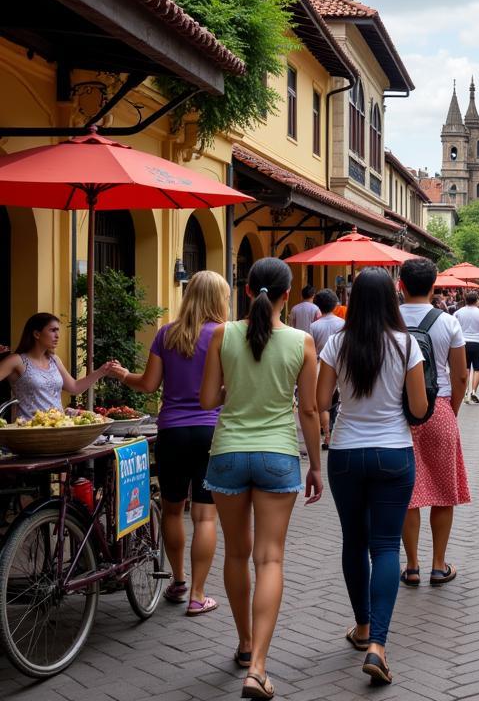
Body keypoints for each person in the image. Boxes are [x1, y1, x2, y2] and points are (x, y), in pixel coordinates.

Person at [199, 257, 322, 700]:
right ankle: (259, 667)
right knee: (269, 559)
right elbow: (308, 410)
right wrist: (316, 466)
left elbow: (208, 397)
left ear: (247, 290)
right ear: (287, 295)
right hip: (276, 455)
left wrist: (239, 389)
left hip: (228, 452)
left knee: (236, 555)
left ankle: (244, 642)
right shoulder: (302, 342)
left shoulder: (220, 335)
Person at [317, 267, 428, 687]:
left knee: (354, 541)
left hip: (345, 452)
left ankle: (362, 626)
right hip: (393, 452)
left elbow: (318, 400)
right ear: (392, 297)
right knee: (385, 546)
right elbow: (418, 409)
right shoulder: (405, 345)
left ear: (355, 298)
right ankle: (377, 645)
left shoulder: (336, 343)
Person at [114, 270, 229, 614]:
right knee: (205, 517)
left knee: (173, 508)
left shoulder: (166, 334)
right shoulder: (225, 336)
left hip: (172, 433)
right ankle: (197, 594)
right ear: (217, 299)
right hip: (211, 432)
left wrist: (123, 376)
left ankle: (177, 581)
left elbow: (149, 385)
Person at [398, 257, 470, 588]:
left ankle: (411, 565)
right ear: (433, 286)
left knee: (406, 493)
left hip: (398, 413)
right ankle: (438, 565)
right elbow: (459, 374)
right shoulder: (448, 322)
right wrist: (450, 409)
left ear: (400, 285)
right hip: (438, 408)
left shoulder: (390, 320)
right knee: (443, 491)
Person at [0, 313, 118, 418]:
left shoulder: (54, 360)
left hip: (58, 430)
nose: (57, 336)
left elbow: (74, 387)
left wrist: (101, 371)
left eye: (58, 331)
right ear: (36, 334)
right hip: (29, 434)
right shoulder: (16, 360)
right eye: (53, 330)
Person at [311, 289, 345, 447]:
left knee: (323, 404)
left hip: (320, 364)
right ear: (334, 305)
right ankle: (336, 430)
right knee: (339, 400)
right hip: (342, 364)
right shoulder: (343, 323)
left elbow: (311, 350)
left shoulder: (314, 326)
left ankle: (326, 435)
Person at [454, 291, 479, 404]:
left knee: (465, 368)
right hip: (478, 343)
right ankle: (473, 391)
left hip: (463, 343)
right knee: (477, 369)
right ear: (476, 300)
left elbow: (454, 327)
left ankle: (465, 391)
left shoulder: (458, 312)